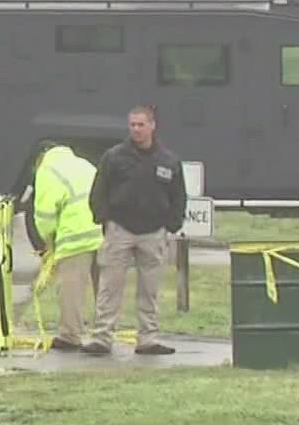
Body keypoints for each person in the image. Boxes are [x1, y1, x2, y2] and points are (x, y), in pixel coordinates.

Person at [86, 106, 186, 355]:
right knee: (109, 287)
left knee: (149, 290)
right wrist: (104, 220)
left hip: (153, 232)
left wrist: (172, 224)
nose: (136, 130)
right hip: (120, 229)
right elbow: (98, 192)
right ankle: (102, 338)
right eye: (132, 125)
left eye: (141, 125)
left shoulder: (168, 160)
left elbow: (178, 196)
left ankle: (148, 339)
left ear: (152, 126)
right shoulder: (114, 157)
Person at [22, 141, 103, 351]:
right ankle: (105, 334)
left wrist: (48, 242)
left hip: (76, 235)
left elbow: (45, 215)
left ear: (39, 158)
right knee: (104, 289)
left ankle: (70, 335)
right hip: (103, 231)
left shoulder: (47, 171)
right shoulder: (84, 164)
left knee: (71, 288)